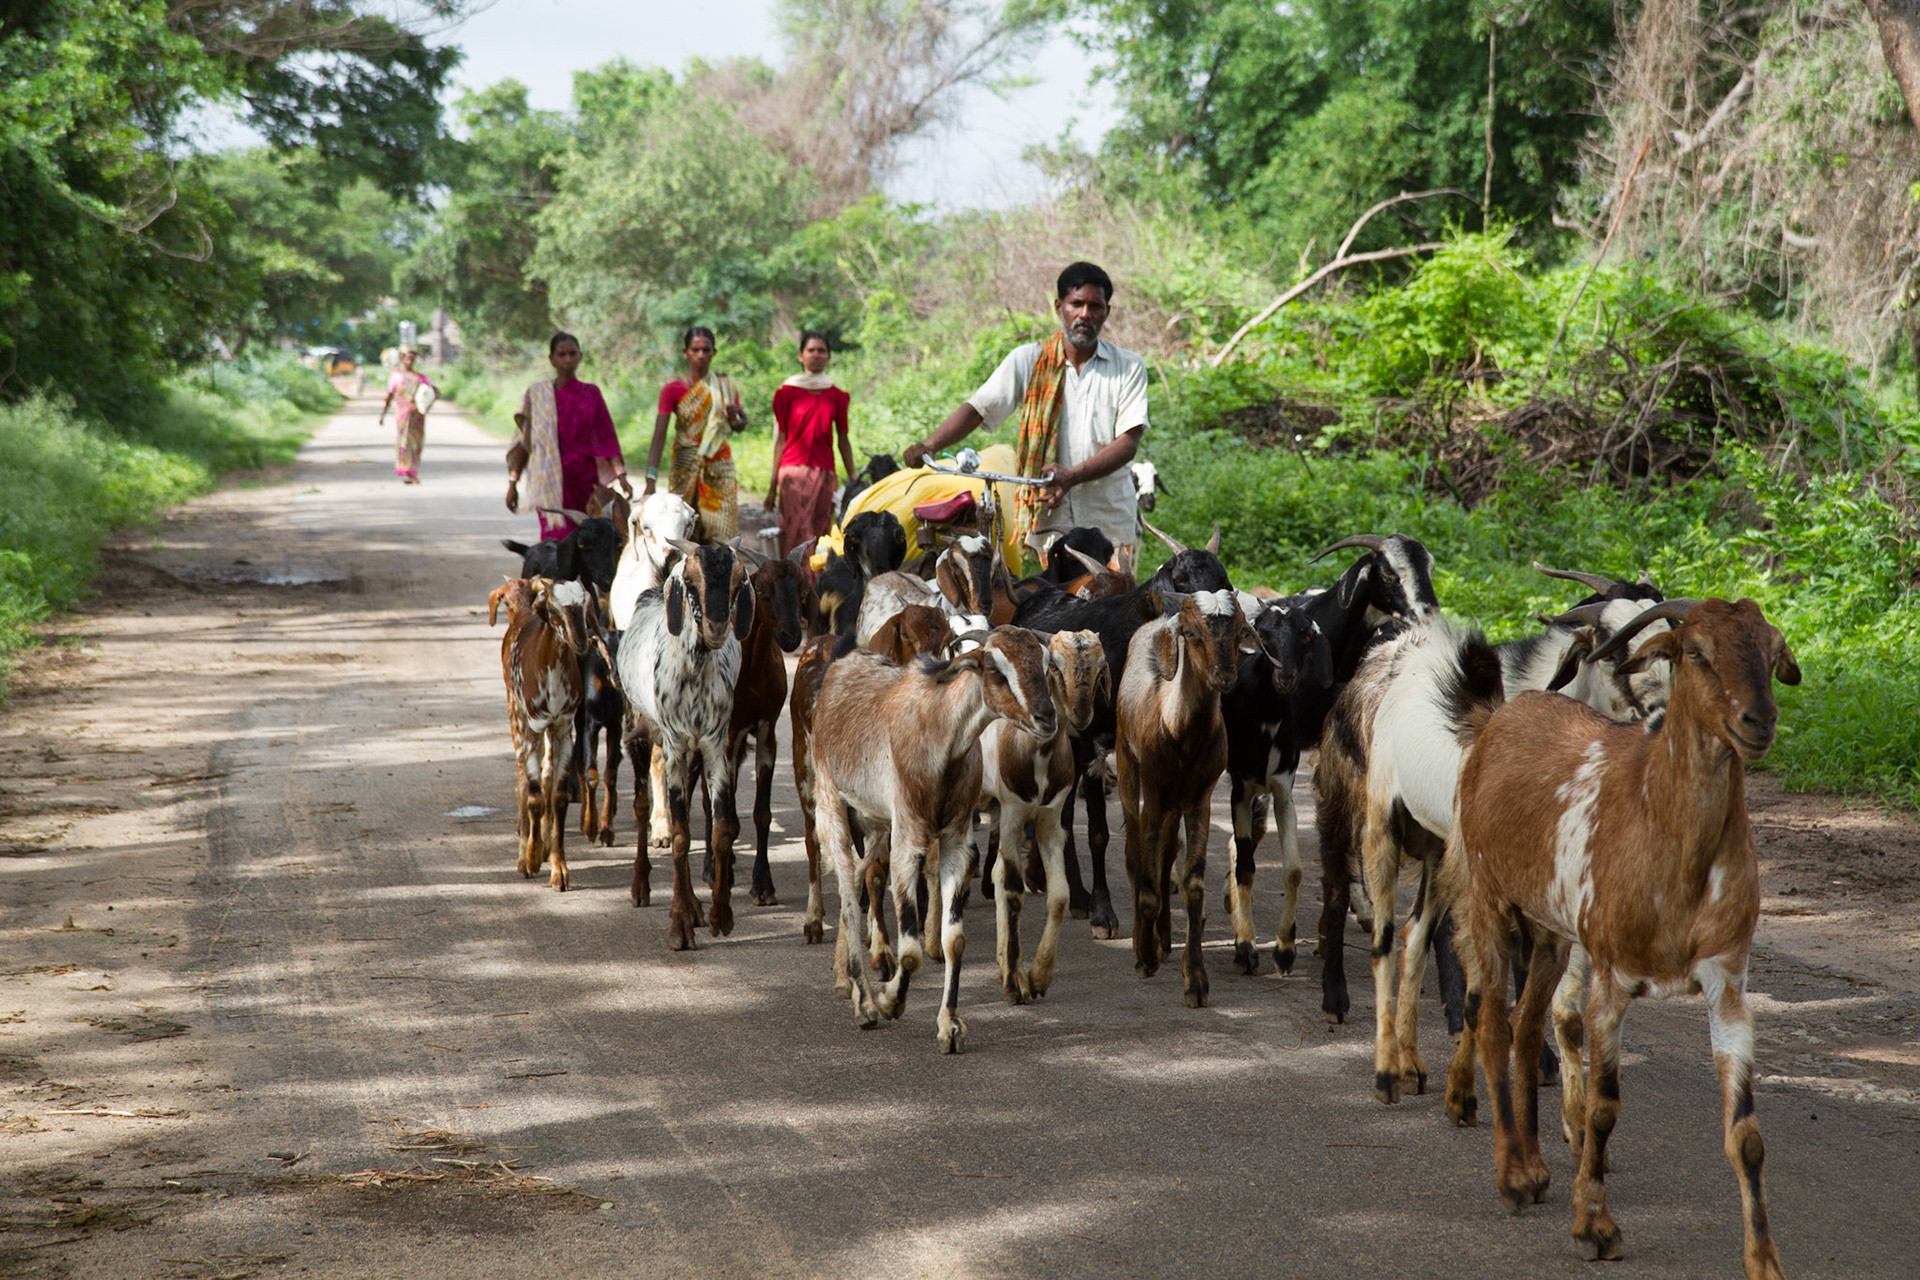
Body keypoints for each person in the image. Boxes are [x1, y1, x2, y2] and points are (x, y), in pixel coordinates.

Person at [904, 261, 1146, 564]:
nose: (1085, 314)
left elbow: (1128, 442)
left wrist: (1071, 476)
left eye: (1094, 306)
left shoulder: (1128, 367)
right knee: (1060, 604)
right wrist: (930, 445)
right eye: (1077, 304)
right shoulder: (1029, 360)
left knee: (1114, 606)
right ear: (1060, 307)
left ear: (1107, 312)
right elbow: (979, 408)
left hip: (1109, 520)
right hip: (1052, 519)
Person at [508, 332, 629, 541]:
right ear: (551, 359)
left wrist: (621, 476)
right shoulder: (537, 396)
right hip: (548, 482)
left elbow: (606, 438)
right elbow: (524, 444)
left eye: (572, 354)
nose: (567, 359)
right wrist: (513, 483)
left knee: (585, 540)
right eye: (561, 354)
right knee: (555, 540)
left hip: (583, 482)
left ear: (580, 356)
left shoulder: (591, 394)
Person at [643, 326, 743, 543]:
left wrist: (735, 417)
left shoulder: (724, 386)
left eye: (706, 350)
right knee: (684, 534)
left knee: (723, 538)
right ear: (685, 352)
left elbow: (740, 425)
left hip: (718, 468)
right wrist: (651, 477)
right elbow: (659, 434)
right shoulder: (672, 391)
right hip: (684, 468)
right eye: (695, 350)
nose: (700, 355)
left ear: (713, 352)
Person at [766, 331, 855, 559]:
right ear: (800, 355)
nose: (816, 355)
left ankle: (816, 586)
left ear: (828, 356)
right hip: (793, 473)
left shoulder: (837, 395)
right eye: (811, 350)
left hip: (825, 473)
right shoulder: (786, 393)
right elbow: (780, 440)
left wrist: (852, 475)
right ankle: (794, 584)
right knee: (794, 531)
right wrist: (772, 486)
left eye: (821, 351)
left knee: (820, 531)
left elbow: (843, 438)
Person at [380, 345, 435, 485]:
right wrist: (383, 414)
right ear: (402, 359)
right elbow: (389, 396)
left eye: (412, 359)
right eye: (407, 359)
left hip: (417, 415)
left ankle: (413, 471)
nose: (409, 362)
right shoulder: (396, 376)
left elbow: (434, 392)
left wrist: (426, 403)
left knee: (416, 443)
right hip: (403, 415)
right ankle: (406, 470)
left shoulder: (421, 378)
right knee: (404, 441)